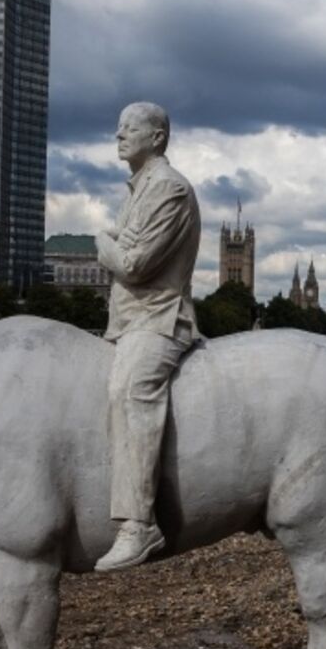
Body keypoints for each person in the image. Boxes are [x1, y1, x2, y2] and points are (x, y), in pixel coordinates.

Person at [93, 102, 201, 571]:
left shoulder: (170, 189)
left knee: (131, 390)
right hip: (127, 322)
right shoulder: (139, 189)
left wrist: (104, 244)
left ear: (157, 138)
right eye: (118, 127)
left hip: (159, 319)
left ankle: (139, 524)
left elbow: (135, 265)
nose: (118, 135)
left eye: (129, 128)